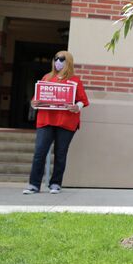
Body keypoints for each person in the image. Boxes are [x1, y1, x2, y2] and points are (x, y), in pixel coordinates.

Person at [23, 51, 89, 194]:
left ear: (68, 62)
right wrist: (34, 103)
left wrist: (76, 107)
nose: (58, 62)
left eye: (62, 59)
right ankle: (34, 184)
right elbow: (36, 99)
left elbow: (83, 101)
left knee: (60, 153)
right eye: (56, 59)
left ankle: (55, 184)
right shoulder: (46, 77)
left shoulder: (75, 80)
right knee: (39, 152)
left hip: (66, 122)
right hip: (46, 120)